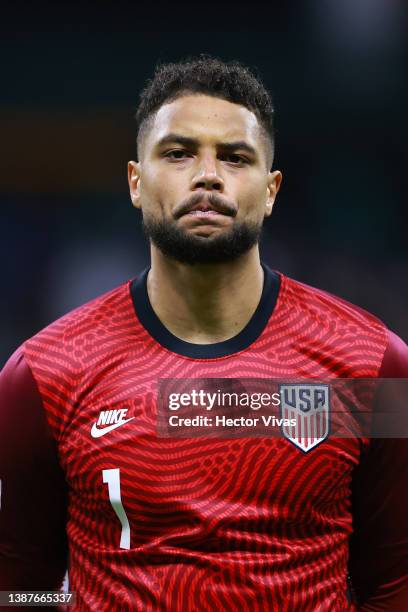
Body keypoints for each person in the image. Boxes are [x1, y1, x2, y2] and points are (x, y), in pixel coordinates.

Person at [0, 55, 407, 611]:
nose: (208, 174)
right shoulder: (43, 375)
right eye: (179, 152)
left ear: (271, 189)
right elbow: (19, 586)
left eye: (236, 157)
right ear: (135, 182)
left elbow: (394, 584)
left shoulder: (371, 364)